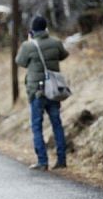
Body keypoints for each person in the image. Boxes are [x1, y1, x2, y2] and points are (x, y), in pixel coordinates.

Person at [16, 16, 69, 171]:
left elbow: (20, 61)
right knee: (57, 124)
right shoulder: (55, 42)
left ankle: (42, 161)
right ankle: (61, 160)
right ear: (46, 28)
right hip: (53, 90)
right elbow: (64, 55)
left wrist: (29, 40)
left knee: (37, 126)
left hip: (37, 91)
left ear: (32, 30)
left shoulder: (28, 45)